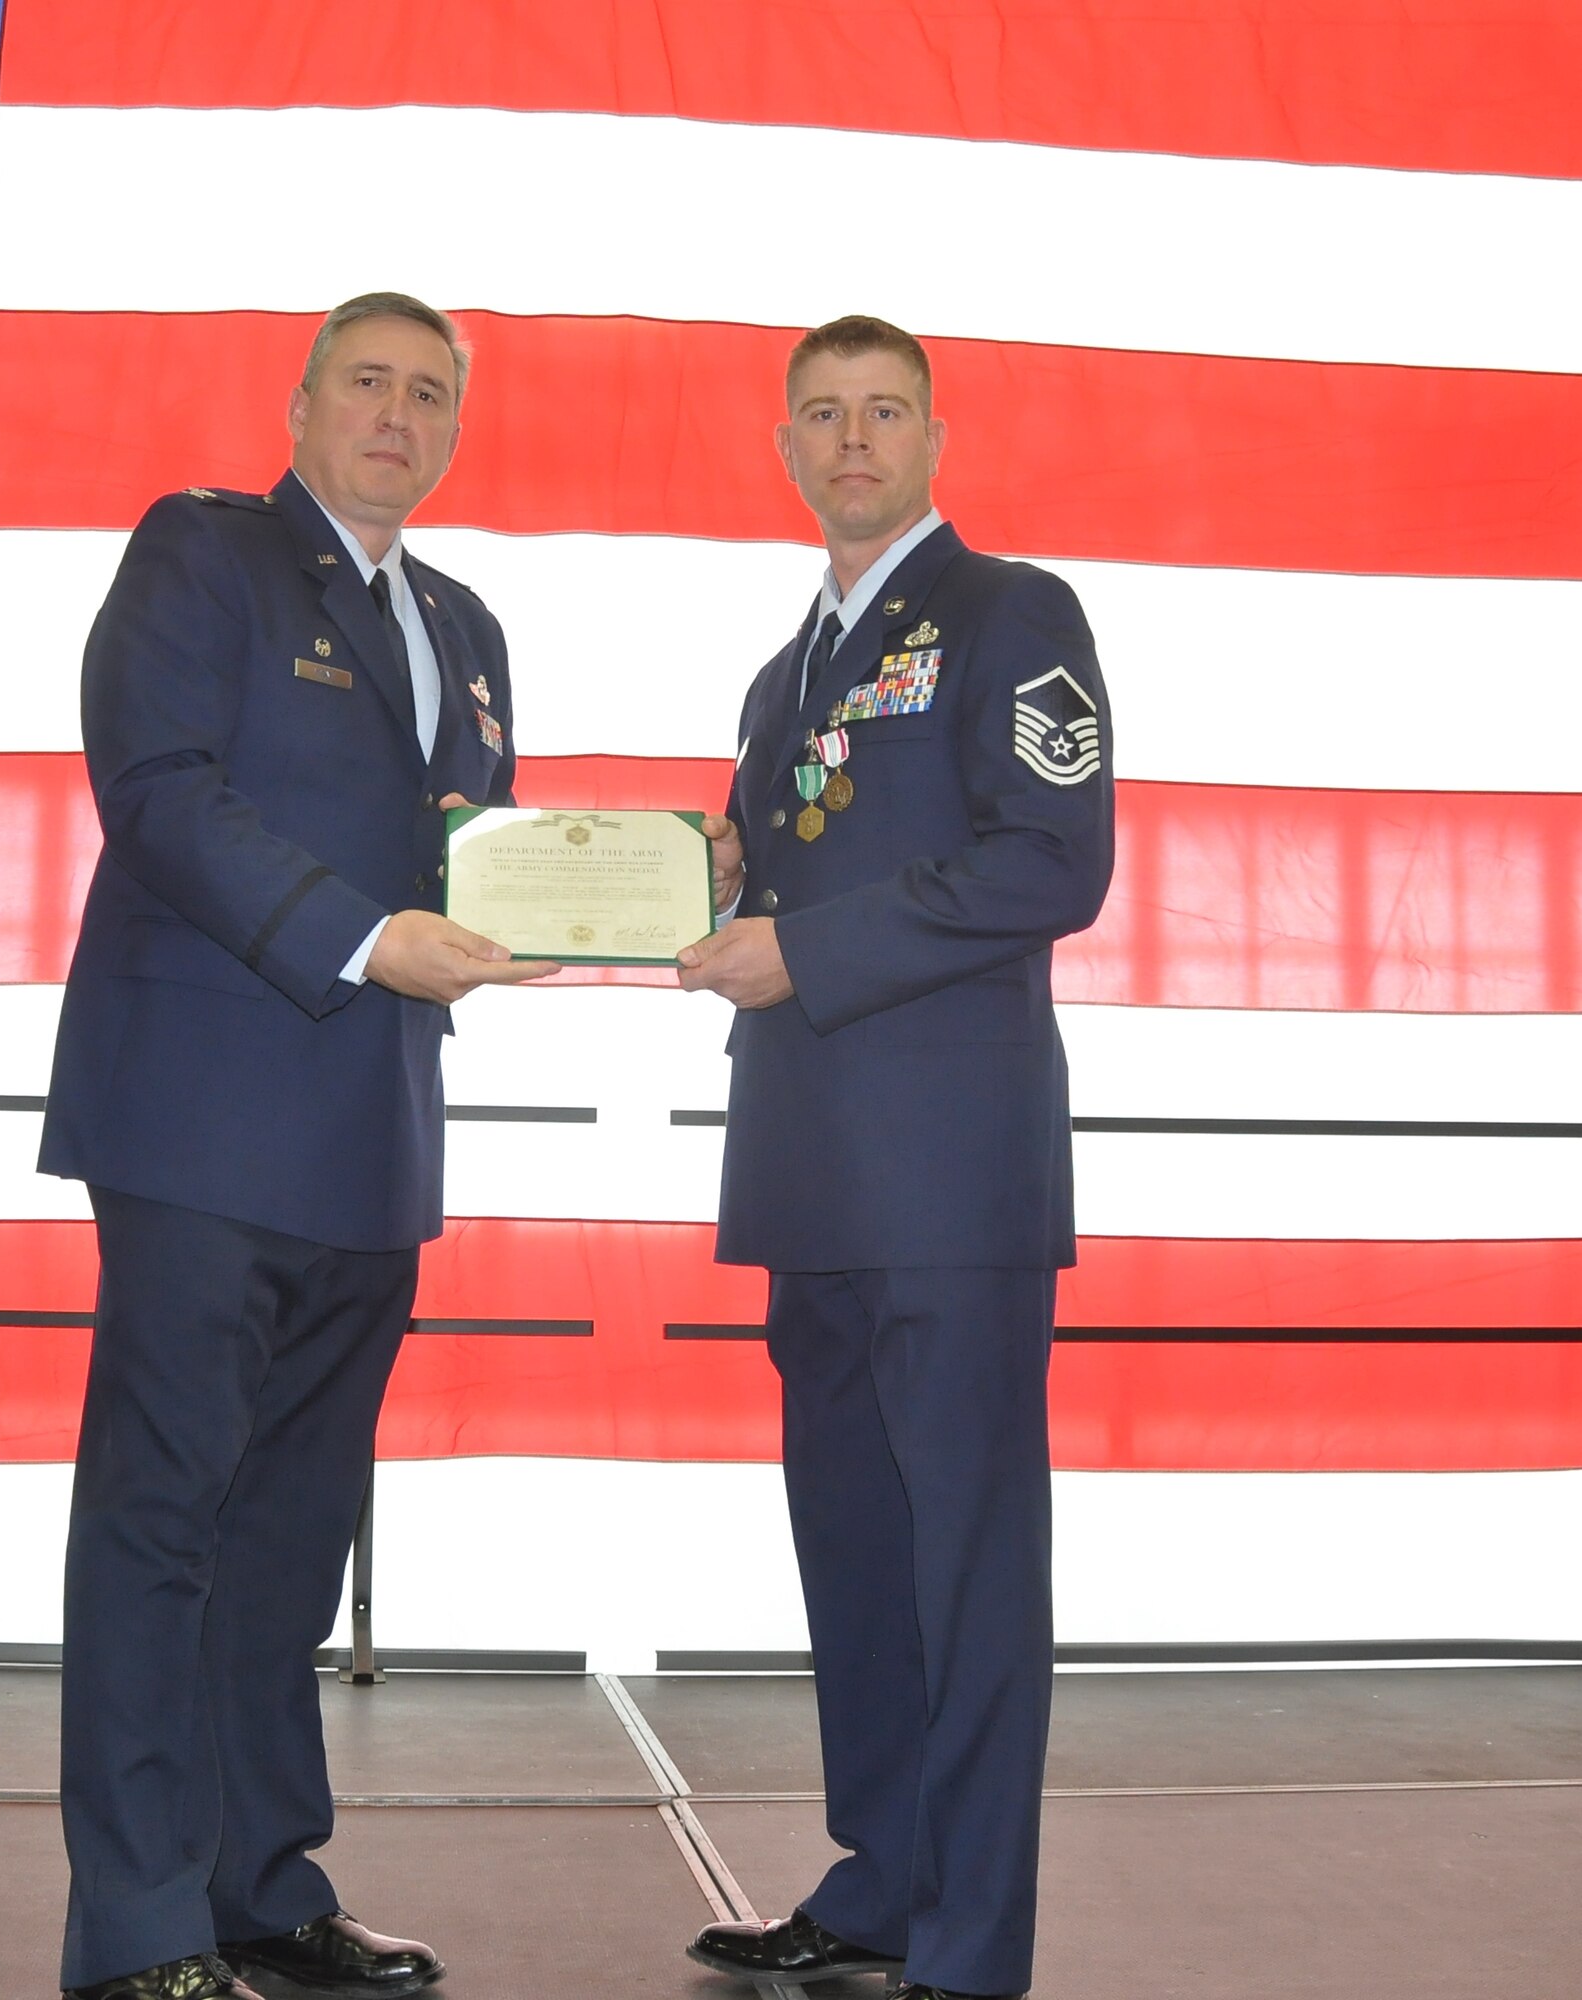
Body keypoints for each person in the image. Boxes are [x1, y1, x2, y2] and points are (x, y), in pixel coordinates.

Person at [38, 292, 555, 2000]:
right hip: (202, 1119)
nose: (396, 416)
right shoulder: (202, 556)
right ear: (302, 402)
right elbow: (162, 789)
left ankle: (262, 1886)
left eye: (428, 393)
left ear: (455, 424)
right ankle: (134, 1930)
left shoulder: (467, 625)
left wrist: (634, 877)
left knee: (289, 1540)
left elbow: (471, 854)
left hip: (372, 1136)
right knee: (161, 1520)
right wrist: (362, 935)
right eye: (367, 384)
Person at [677, 316, 1115, 2000]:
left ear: (932, 434)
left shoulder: (1014, 614)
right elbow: (789, 893)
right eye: (820, 416)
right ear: (785, 443)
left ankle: (970, 1943)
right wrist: (710, 886)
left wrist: (808, 949)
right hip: (810, 1171)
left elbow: (1047, 863)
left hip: (947, 1178)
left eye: (880, 414)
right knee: (855, 1555)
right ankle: (878, 1883)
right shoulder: (783, 673)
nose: (849, 441)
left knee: (970, 1568)